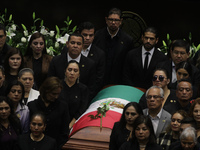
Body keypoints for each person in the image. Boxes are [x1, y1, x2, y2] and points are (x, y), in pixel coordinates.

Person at [48, 33, 96, 99]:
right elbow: (51, 84)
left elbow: (91, 89)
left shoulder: (90, 64)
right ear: (67, 44)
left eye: (78, 44)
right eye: (72, 43)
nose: (75, 46)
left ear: (82, 46)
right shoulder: (56, 61)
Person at [93, 8, 134, 85]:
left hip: (118, 80)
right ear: (106, 20)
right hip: (98, 79)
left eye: (116, 20)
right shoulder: (97, 36)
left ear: (121, 21)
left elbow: (128, 64)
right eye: (111, 20)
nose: (113, 22)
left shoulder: (127, 40)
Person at [28, 77, 70, 149]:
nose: (56, 97)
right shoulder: (32, 105)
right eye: (53, 94)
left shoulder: (62, 106)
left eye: (58, 94)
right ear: (46, 91)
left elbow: (64, 131)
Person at [59, 60, 90, 129]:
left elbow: (82, 109)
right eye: (69, 70)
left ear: (79, 74)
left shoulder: (83, 89)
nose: (72, 73)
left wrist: (70, 125)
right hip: (57, 122)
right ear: (65, 72)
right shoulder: (57, 85)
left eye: (75, 71)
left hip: (75, 124)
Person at [78, 21, 106, 93]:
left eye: (91, 35)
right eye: (85, 35)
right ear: (79, 34)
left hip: (89, 93)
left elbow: (99, 79)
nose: (87, 38)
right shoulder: (70, 49)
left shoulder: (99, 54)